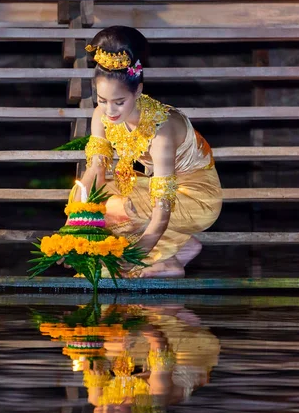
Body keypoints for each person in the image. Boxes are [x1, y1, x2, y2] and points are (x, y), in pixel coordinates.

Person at [76, 25, 222, 278]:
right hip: (152, 190)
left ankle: (165, 261)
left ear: (138, 91)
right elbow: (95, 172)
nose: (110, 111)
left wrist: (136, 258)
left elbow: (162, 208)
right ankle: (182, 247)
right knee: (82, 195)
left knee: (119, 208)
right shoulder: (101, 115)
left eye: (119, 102)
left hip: (195, 197)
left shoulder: (160, 131)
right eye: (102, 100)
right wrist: (75, 229)